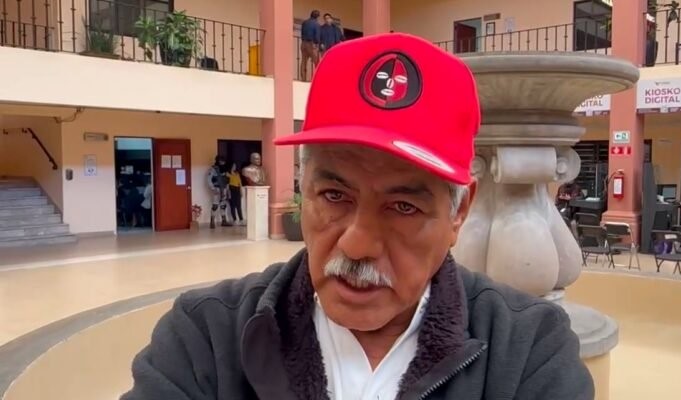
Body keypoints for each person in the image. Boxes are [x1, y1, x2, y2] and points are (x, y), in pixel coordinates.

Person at [122, 33, 593, 400]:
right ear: (304, 188)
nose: (357, 243)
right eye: (334, 195)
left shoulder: (527, 351)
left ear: (459, 212)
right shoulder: (206, 337)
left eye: (404, 207)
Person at [206, 155, 232, 229]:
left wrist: (228, 190)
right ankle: (212, 222)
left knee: (223, 205)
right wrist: (212, 188)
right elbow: (209, 179)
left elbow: (227, 180)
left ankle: (224, 221)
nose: (222, 162)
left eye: (223, 161)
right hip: (217, 189)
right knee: (215, 206)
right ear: (218, 161)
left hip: (224, 189)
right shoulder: (213, 169)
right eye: (221, 160)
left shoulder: (225, 169)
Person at [299, 10, 321, 82]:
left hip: (303, 43)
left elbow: (302, 32)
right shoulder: (316, 24)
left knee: (304, 61)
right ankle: (317, 79)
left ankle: (303, 78)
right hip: (311, 44)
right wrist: (317, 44)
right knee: (317, 62)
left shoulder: (304, 22)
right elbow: (317, 36)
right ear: (317, 17)